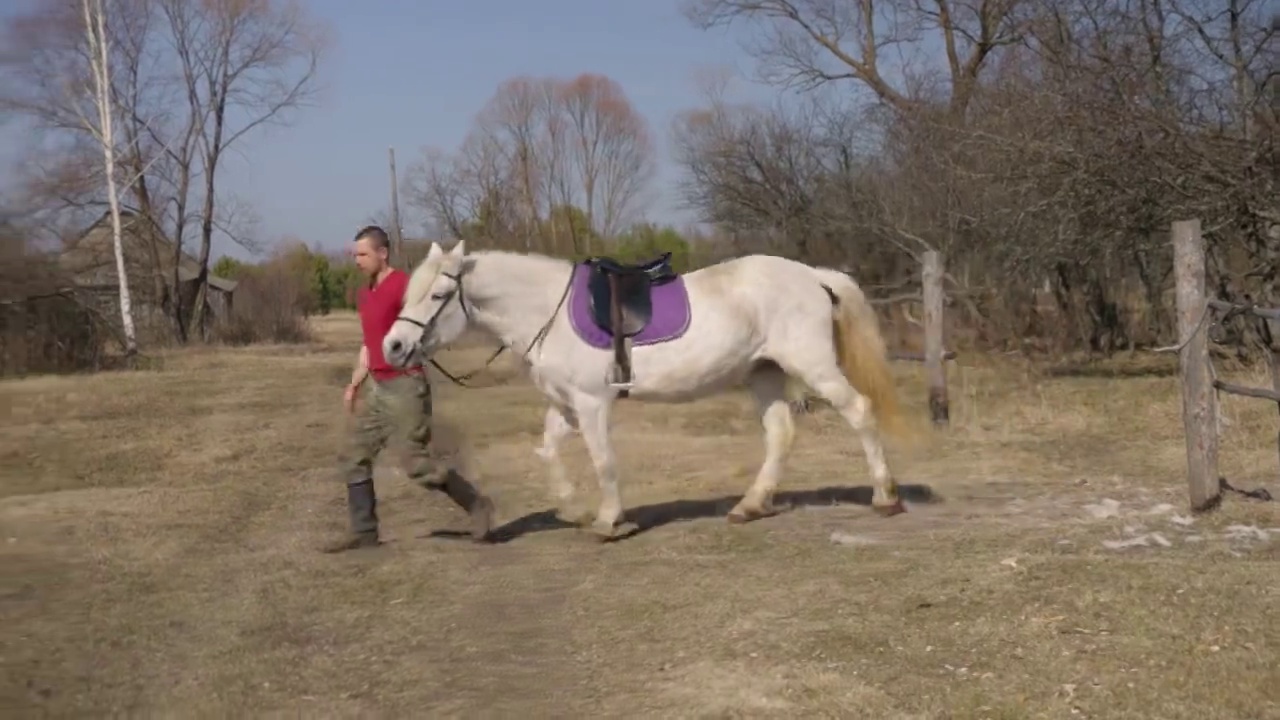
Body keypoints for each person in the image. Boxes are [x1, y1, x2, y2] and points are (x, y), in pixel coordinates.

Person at [324, 225, 495, 553]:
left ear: (382, 253)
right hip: (377, 387)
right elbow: (368, 344)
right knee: (353, 455)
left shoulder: (404, 286)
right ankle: (364, 531)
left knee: (417, 464)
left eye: (362, 254)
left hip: (405, 385)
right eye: (354, 254)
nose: (356, 260)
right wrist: (355, 383)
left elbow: (430, 317)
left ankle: (477, 505)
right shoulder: (365, 293)